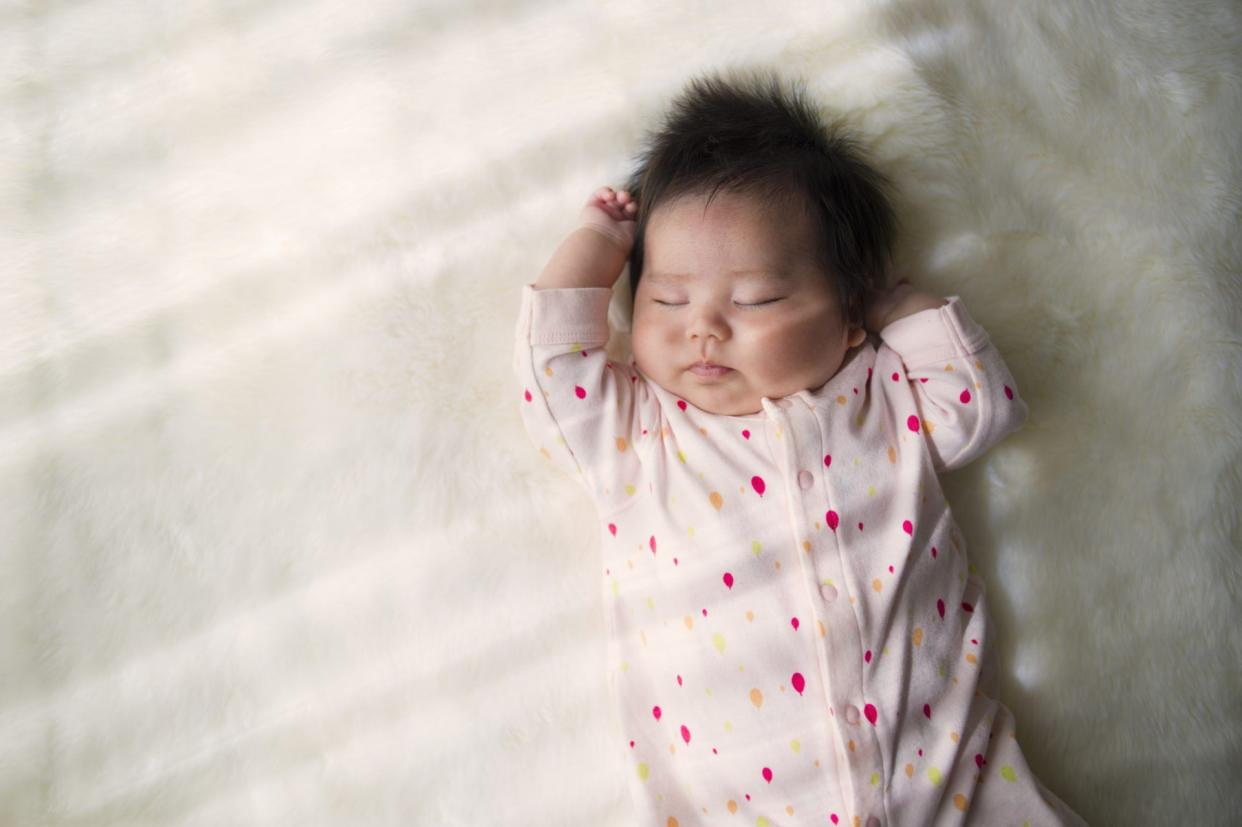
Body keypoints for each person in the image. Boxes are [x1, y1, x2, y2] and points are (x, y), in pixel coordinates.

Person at [512, 71, 1087, 826]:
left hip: (955, 784)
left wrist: (902, 309)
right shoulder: (642, 434)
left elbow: (979, 406)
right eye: (666, 297)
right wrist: (595, 248)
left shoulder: (881, 396)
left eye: (755, 299)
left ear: (847, 315)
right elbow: (554, 370)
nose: (704, 328)